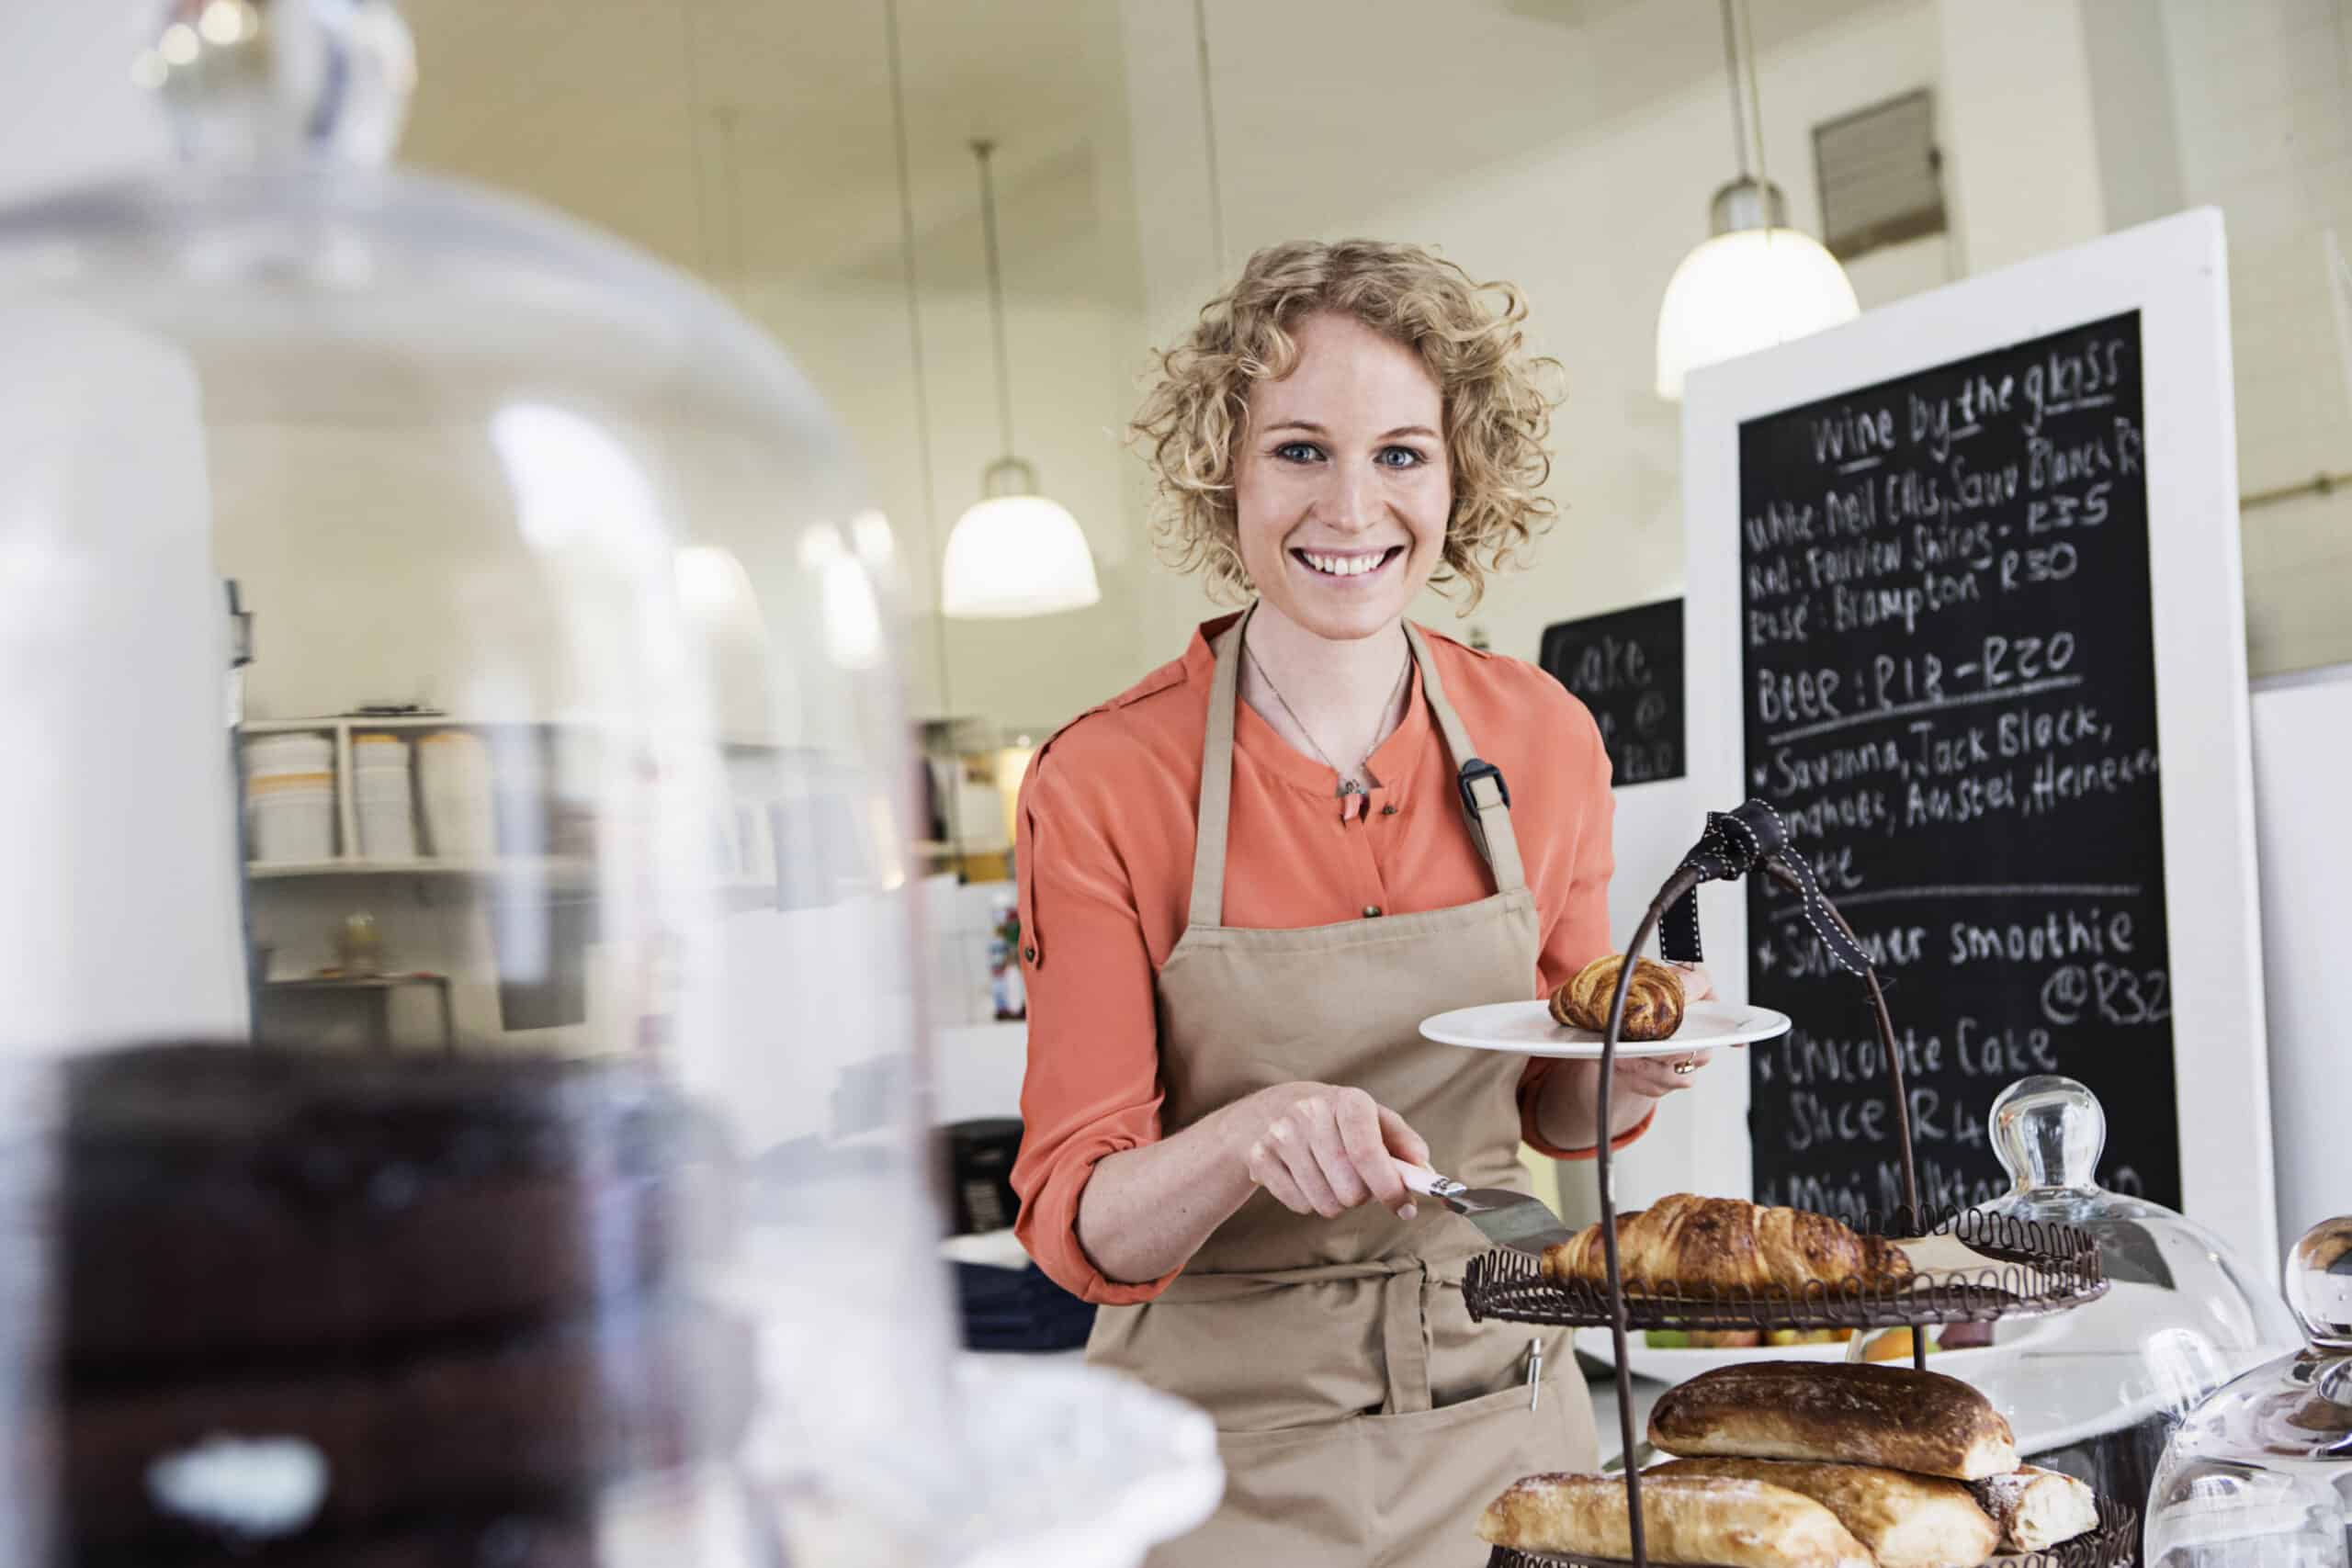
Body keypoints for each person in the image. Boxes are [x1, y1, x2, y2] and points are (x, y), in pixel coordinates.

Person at [1009, 239, 1714, 1564]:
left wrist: (1638, 1063)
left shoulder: (1544, 735)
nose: (1351, 507)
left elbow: (1558, 1112)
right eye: (1298, 450)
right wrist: (1247, 1138)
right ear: (1227, 471)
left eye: (1401, 453)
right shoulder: (1105, 780)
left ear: (1461, 477)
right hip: (1220, 1455)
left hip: (1510, 1415)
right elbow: (1075, 1222)